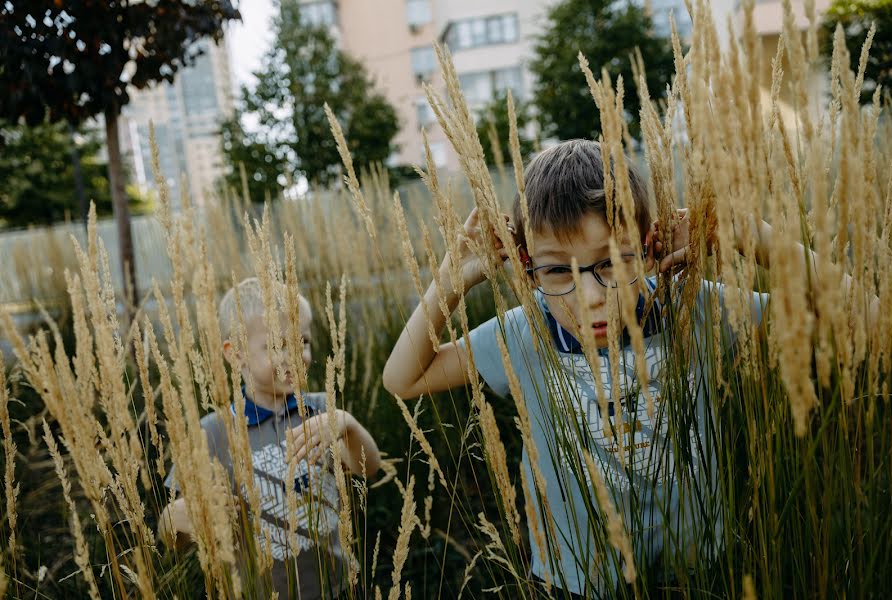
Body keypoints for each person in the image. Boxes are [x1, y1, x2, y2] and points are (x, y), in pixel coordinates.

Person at [382, 139, 773, 596]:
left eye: (613, 261)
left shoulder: (693, 309)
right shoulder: (524, 335)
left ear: (648, 249)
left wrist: (750, 235)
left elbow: (866, 315)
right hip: (578, 580)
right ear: (526, 266)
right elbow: (402, 378)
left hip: (698, 570)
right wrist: (453, 279)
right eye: (557, 272)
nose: (591, 298)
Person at [160, 277, 381, 600]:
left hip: (337, 586)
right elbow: (171, 539)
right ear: (235, 354)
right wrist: (175, 518)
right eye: (278, 345)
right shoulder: (213, 432)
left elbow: (368, 468)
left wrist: (347, 425)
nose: (297, 355)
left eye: (302, 341)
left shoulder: (321, 411)